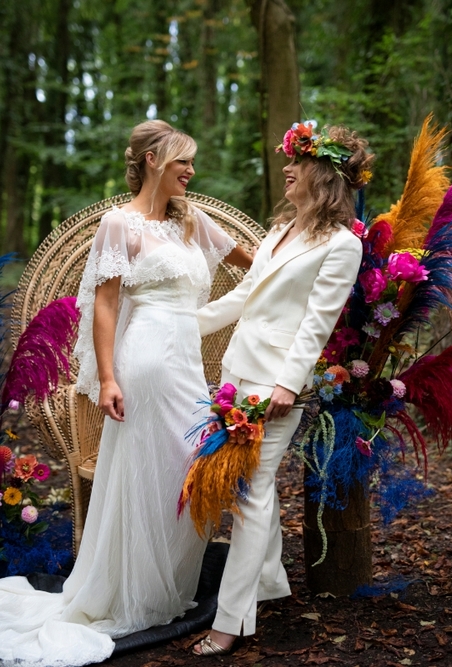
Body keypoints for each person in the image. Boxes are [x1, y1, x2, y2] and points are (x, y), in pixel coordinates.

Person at [0, 120, 252, 667]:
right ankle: (136, 595)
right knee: (149, 472)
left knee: (187, 468)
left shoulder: (194, 222)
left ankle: (166, 588)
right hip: (146, 360)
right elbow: (107, 304)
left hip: (187, 362)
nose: (192, 171)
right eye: (183, 161)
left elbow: (254, 264)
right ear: (155, 160)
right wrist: (109, 378)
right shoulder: (120, 224)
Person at [192, 123, 373, 655]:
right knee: (246, 490)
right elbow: (244, 296)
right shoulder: (278, 230)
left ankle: (230, 622)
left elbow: (316, 324)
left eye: (296, 165)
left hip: (273, 388)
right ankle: (269, 583)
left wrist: (288, 386)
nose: (286, 171)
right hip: (234, 373)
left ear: (322, 176)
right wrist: (178, 322)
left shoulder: (343, 246)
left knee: (249, 496)